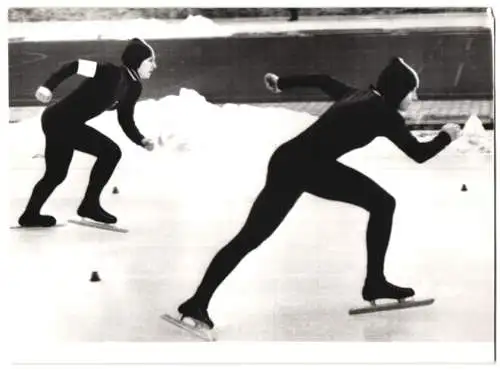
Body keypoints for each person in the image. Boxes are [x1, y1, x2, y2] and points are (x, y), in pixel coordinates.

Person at [176, 57, 461, 329]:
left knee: (381, 203)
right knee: (381, 204)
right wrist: (446, 135)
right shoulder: (384, 114)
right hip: (303, 168)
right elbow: (419, 153)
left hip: (291, 160)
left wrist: (282, 82)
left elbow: (323, 80)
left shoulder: (359, 95)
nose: (416, 99)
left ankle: (197, 301)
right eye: (413, 92)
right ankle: (374, 282)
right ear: (398, 90)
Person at [18, 38, 157, 227]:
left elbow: (125, 119)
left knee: (56, 174)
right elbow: (74, 66)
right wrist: (47, 86)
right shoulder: (109, 72)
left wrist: (141, 139)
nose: (154, 66)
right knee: (111, 152)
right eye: (150, 60)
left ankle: (30, 215)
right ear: (137, 60)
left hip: (64, 123)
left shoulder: (134, 87)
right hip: (58, 120)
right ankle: (89, 205)